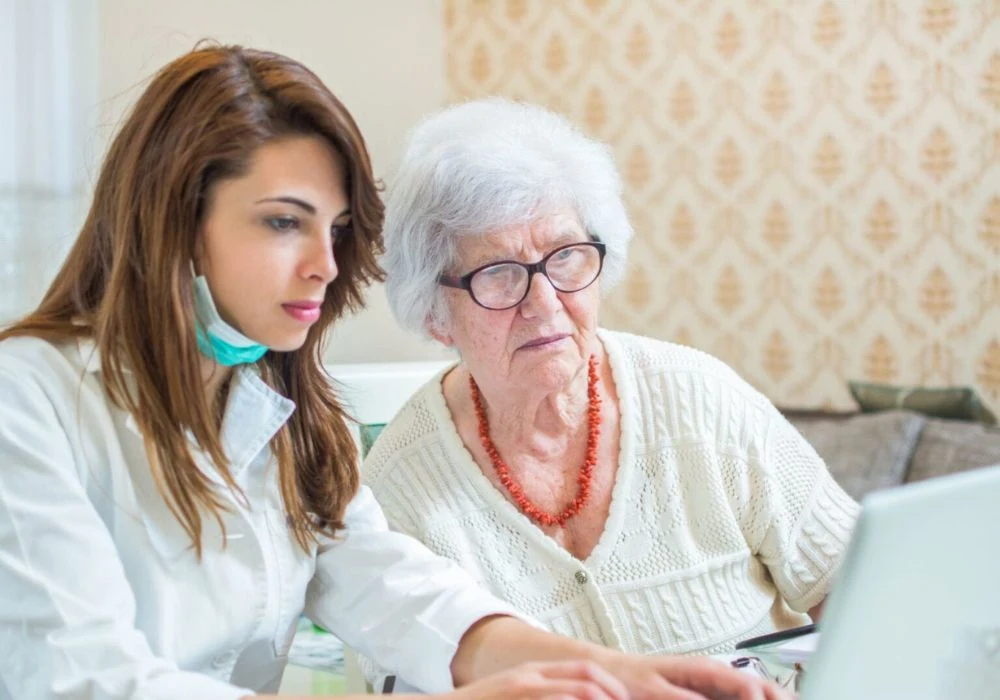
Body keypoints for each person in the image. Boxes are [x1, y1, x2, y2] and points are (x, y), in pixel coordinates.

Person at [0, 46, 790, 700]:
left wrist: (615, 674)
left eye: (336, 229)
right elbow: (86, 680)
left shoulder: (285, 413)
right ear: (174, 222)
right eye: (283, 222)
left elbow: (401, 594)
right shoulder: (26, 400)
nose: (324, 265)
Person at [364, 98, 861, 670]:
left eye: (567, 257)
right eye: (498, 274)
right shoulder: (401, 488)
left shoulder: (702, 400)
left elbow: (861, 587)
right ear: (433, 313)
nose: (544, 302)